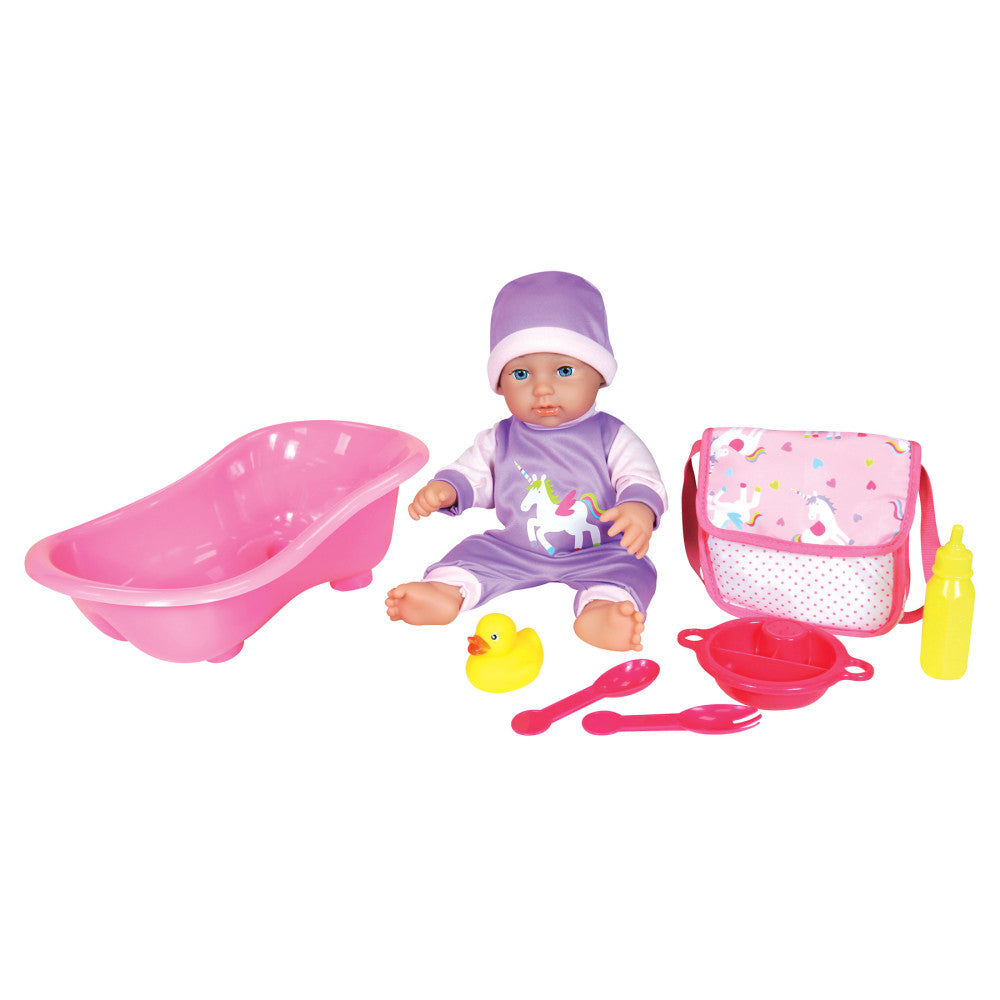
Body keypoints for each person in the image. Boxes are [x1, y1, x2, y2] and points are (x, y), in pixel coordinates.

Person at [385, 271, 667, 652]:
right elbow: (474, 473)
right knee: (470, 552)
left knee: (632, 568)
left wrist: (638, 508)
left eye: (564, 371)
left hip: (600, 551)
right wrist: (447, 488)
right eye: (521, 373)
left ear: (599, 375)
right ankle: (445, 591)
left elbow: (640, 476)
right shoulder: (500, 438)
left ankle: (603, 610)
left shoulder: (610, 435)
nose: (542, 389)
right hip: (514, 550)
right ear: (501, 384)